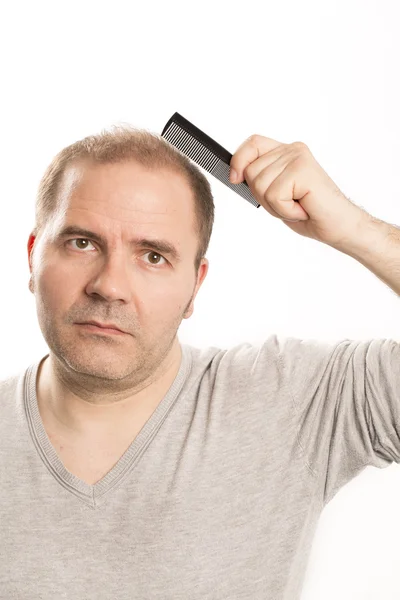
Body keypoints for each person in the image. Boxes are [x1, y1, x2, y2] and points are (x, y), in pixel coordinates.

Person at [1, 125, 399, 600]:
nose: (109, 285)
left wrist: (356, 229)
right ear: (32, 257)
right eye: (82, 243)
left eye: (152, 256)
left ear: (195, 285)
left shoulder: (295, 403)